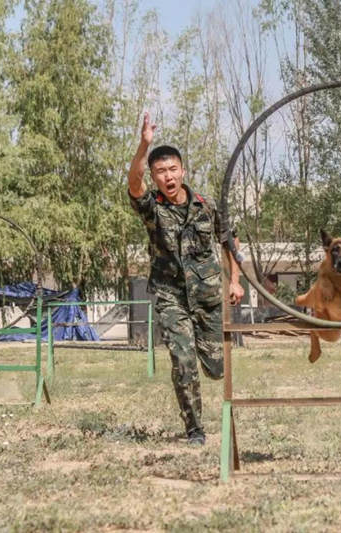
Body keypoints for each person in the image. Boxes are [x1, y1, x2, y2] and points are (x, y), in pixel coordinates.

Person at [128, 112, 245, 445]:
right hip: (170, 296)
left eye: (172, 169)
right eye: (160, 171)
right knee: (183, 359)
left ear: (183, 171)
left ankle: (211, 374)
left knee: (217, 367)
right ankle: (194, 428)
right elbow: (133, 185)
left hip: (208, 295)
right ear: (154, 176)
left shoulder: (206, 206)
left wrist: (235, 280)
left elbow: (230, 241)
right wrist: (143, 145)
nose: (168, 176)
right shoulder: (151, 206)